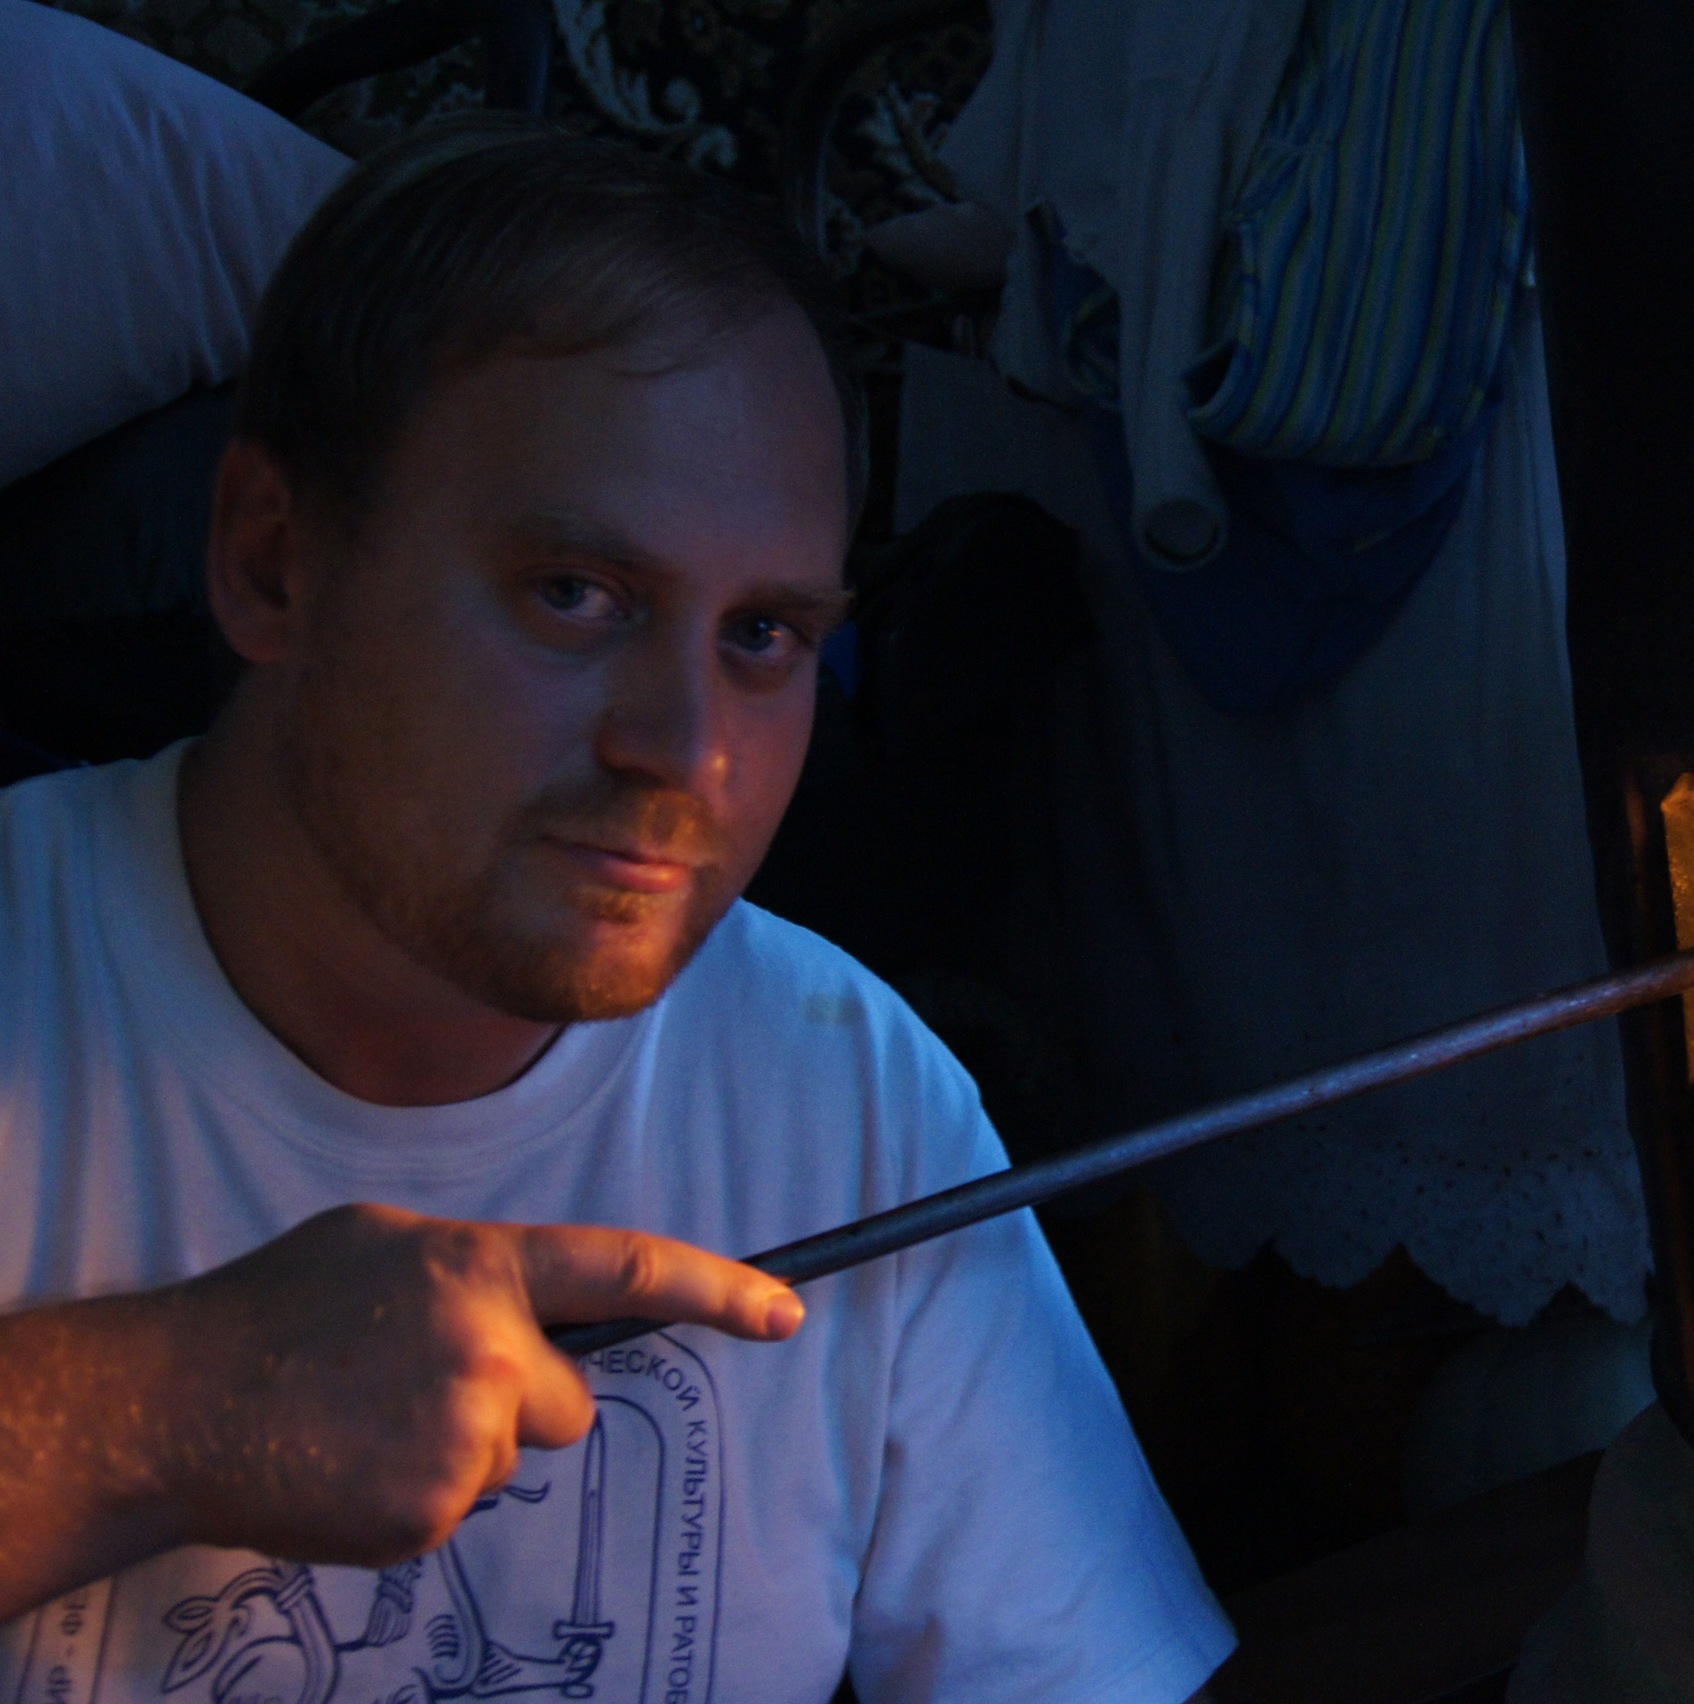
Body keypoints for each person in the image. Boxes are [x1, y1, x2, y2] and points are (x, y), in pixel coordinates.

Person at [0, 115, 1231, 1704]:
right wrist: (164, 1412)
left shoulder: (845, 1089)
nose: (690, 750)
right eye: (575, 596)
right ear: (273, 563)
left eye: (765, 634)